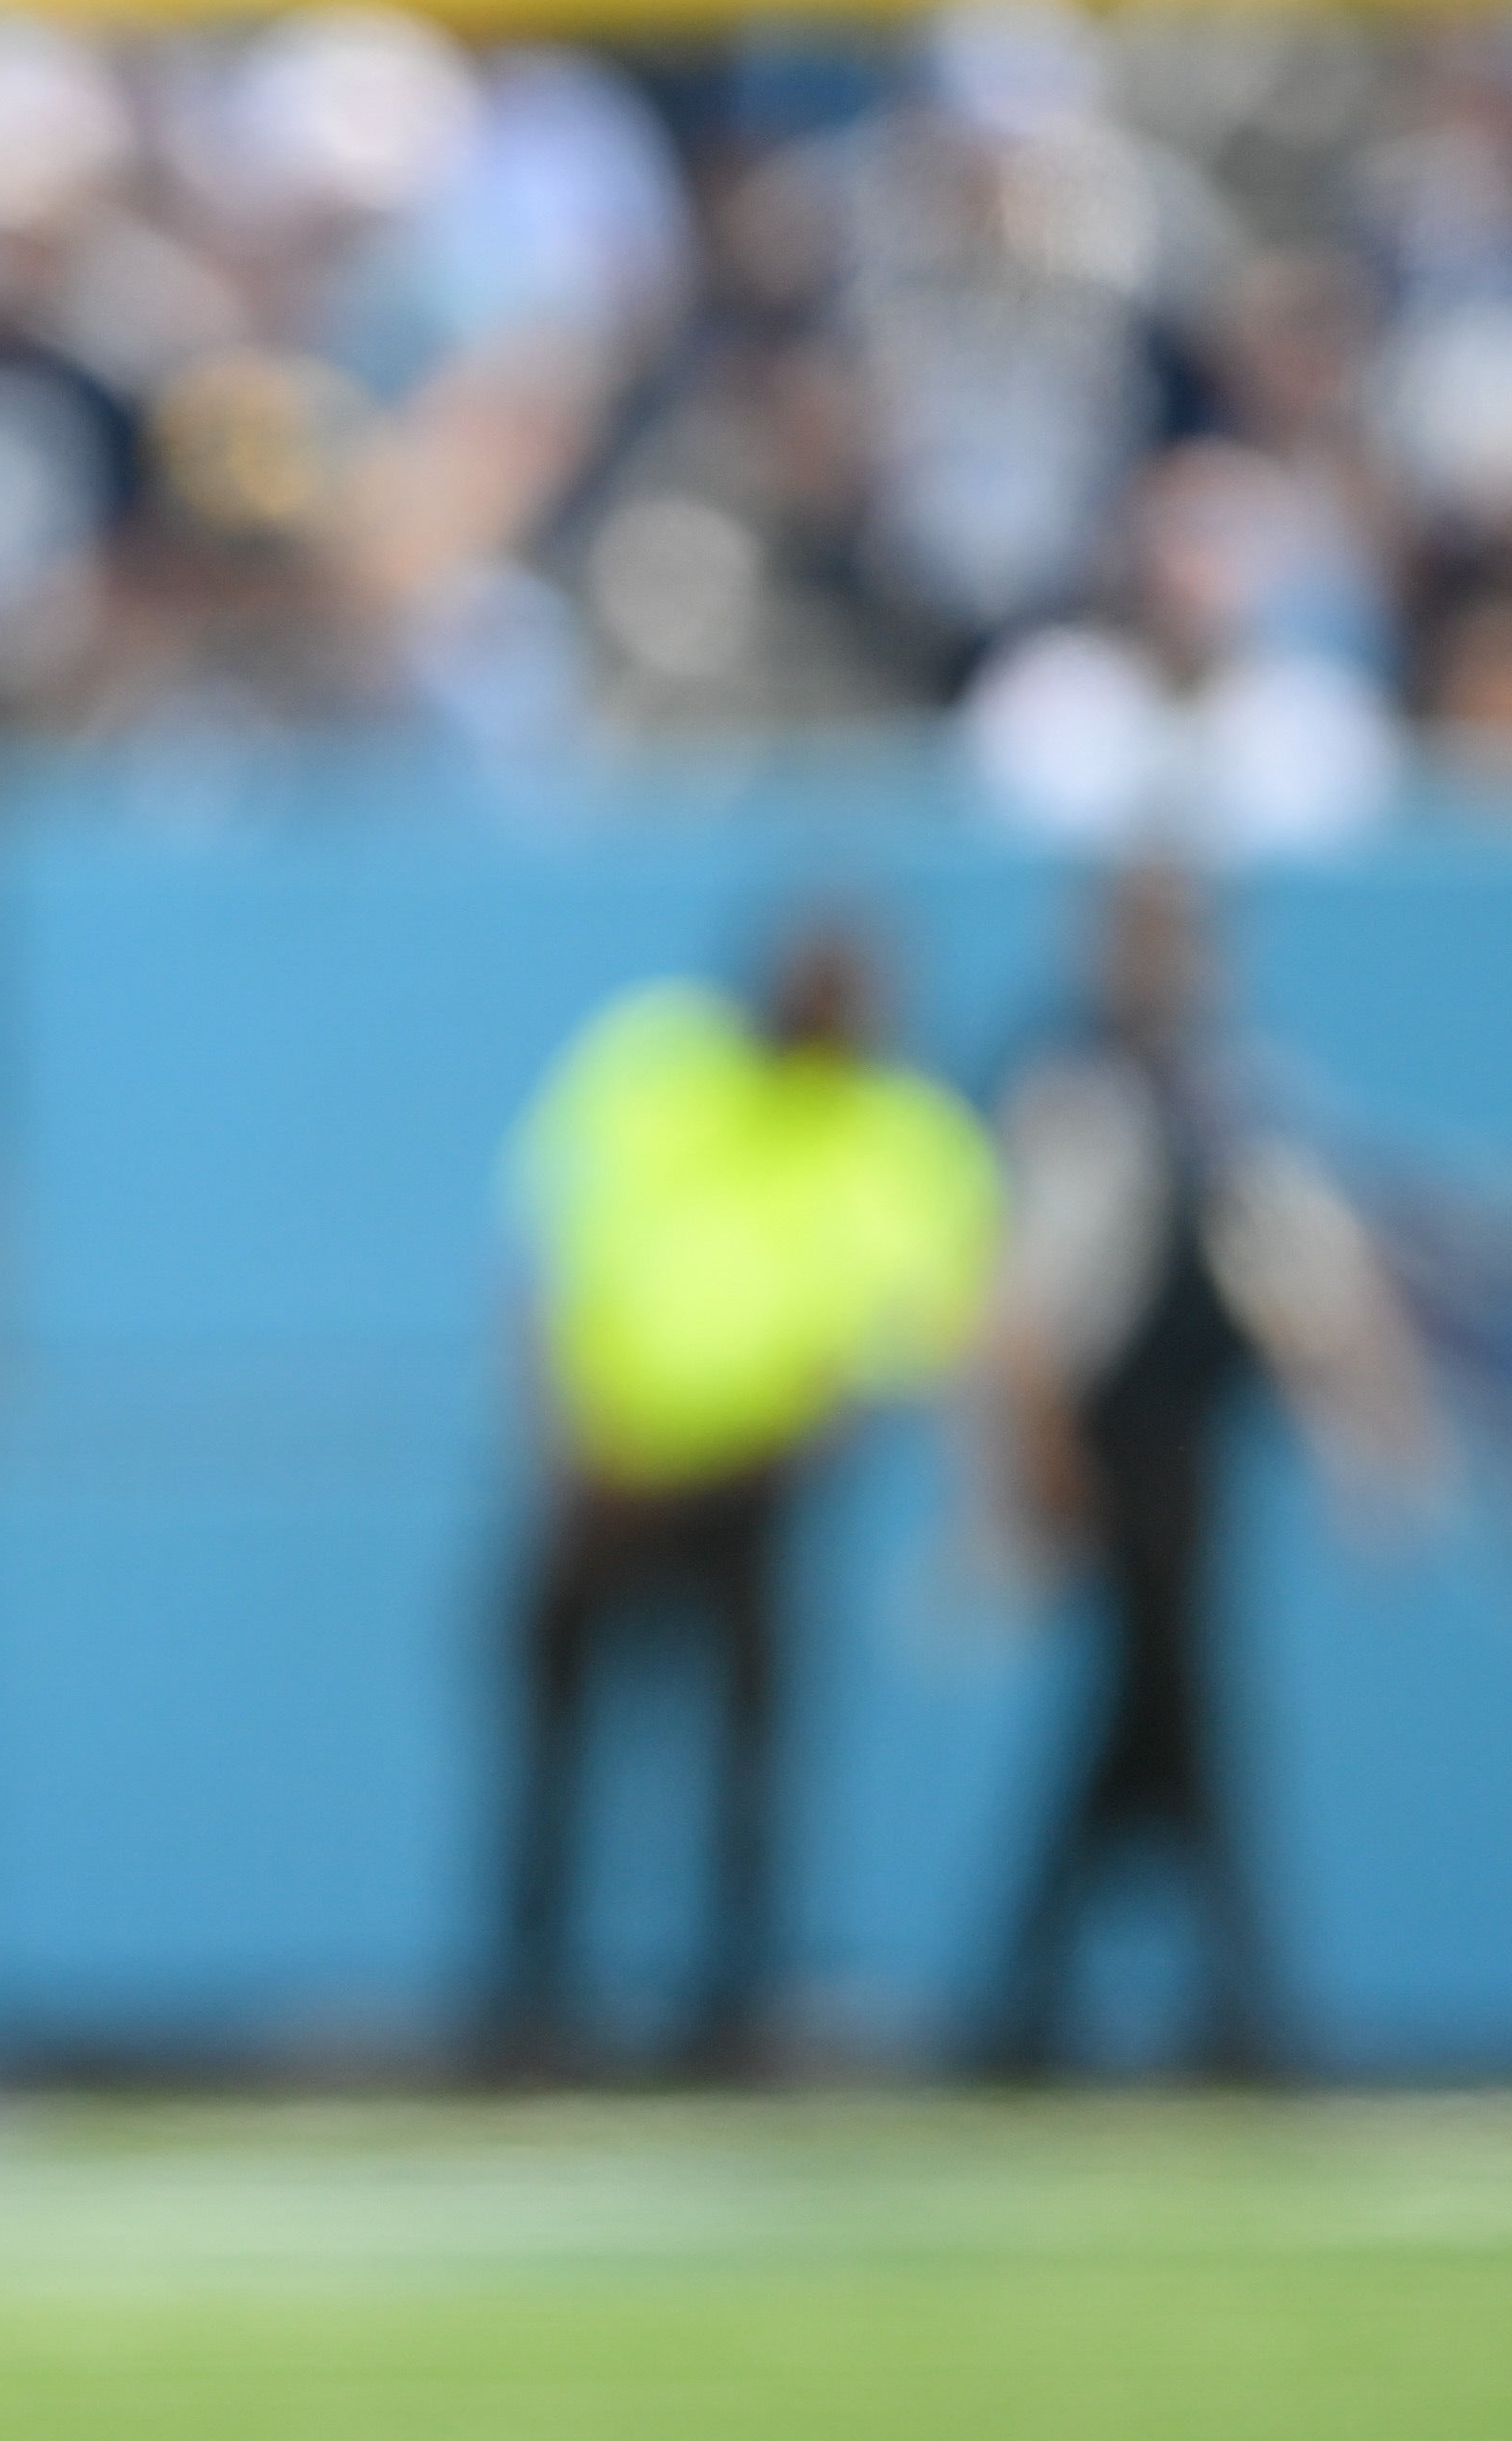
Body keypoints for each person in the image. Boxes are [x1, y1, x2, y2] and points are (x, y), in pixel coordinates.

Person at [482, 912, 999, 2077]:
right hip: (600, 1473)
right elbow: (539, 1249)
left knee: (750, 1754)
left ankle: (734, 2004)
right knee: (553, 1741)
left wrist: (781, 1438)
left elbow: (907, 1336)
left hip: (752, 1489)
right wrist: (569, 1439)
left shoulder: (895, 1130)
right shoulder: (656, 1062)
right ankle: (525, 2004)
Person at [961, 862, 1440, 2078]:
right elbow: (1021, 1300)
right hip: (1114, 1443)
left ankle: (1059, 2002)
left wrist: (1365, 1427)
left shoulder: (1230, 1084)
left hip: (1196, 1442)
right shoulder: (1061, 1079)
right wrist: (1035, 1455)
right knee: (1168, 1713)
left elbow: (1298, 1270)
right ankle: (1213, 2001)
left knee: (1155, 1715)